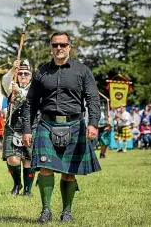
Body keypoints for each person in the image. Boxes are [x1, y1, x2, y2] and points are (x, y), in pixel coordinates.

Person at [22, 31, 101, 223]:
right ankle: (46, 210)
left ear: (69, 46)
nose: (59, 48)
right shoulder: (41, 72)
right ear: (51, 46)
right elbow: (30, 102)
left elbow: (93, 98)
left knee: (69, 171)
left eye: (63, 45)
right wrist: (26, 129)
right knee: (45, 168)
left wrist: (93, 123)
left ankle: (67, 211)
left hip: (75, 123)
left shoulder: (82, 71)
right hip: (47, 123)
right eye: (55, 45)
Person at [1, 59, 37, 196]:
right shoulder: (12, 87)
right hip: (12, 127)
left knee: (28, 159)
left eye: (26, 73)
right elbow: (5, 80)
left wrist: (20, 92)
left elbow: (33, 101)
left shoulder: (35, 89)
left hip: (31, 127)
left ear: (30, 75)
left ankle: (27, 189)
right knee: (12, 158)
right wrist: (12, 69)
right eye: (20, 73)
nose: (22, 75)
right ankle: (17, 184)